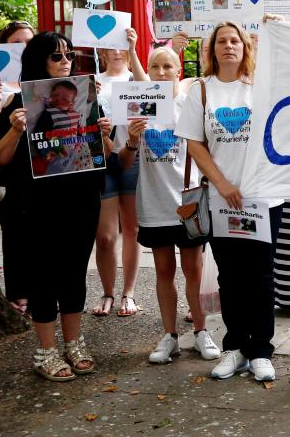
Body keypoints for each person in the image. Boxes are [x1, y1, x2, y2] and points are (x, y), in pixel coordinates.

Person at [0, 32, 111, 381]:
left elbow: (107, 151)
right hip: (36, 202)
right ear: (38, 60)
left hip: (81, 197)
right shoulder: (19, 104)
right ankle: (45, 351)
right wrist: (15, 131)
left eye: (69, 55)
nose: (65, 61)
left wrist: (103, 131)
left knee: (74, 271)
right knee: (43, 274)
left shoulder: (85, 99)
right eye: (56, 56)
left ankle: (74, 344)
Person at [175, 21, 283, 382]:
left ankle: (261, 350)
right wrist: (221, 183)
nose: (228, 46)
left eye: (235, 40)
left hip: (263, 199)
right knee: (231, 276)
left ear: (245, 46)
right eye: (221, 41)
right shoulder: (201, 91)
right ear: (212, 49)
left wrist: (278, 32)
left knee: (262, 276)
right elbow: (194, 142)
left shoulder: (261, 86)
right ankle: (235, 347)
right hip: (222, 200)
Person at [120, 46, 220, 364]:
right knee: (163, 270)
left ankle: (202, 331)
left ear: (179, 70)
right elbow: (122, 163)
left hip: (189, 201)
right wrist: (133, 142)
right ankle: (169, 336)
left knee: (193, 269)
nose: (161, 72)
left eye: (167, 66)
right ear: (146, 71)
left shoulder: (189, 104)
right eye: (155, 67)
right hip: (153, 203)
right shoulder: (138, 105)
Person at [91, 29, 148, 317]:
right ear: (100, 51)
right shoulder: (92, 83)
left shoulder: (134, 78)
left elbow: (149, 90)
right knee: (105, 236)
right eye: (110, 47)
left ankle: (129, 292)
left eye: (121, 47)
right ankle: (107, 292)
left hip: (132, 155)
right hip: (102, 159)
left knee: (133, 229)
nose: (116, 52)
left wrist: (135, 49)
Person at [0, 20, 36, 310]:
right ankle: (18, 292)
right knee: (14, 231)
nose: (23, 48)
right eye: (16, 42)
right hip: (7, 164)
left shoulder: (40, 77)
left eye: (29, 42)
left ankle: (41, 290)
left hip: (38, 164)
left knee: (38, 230)